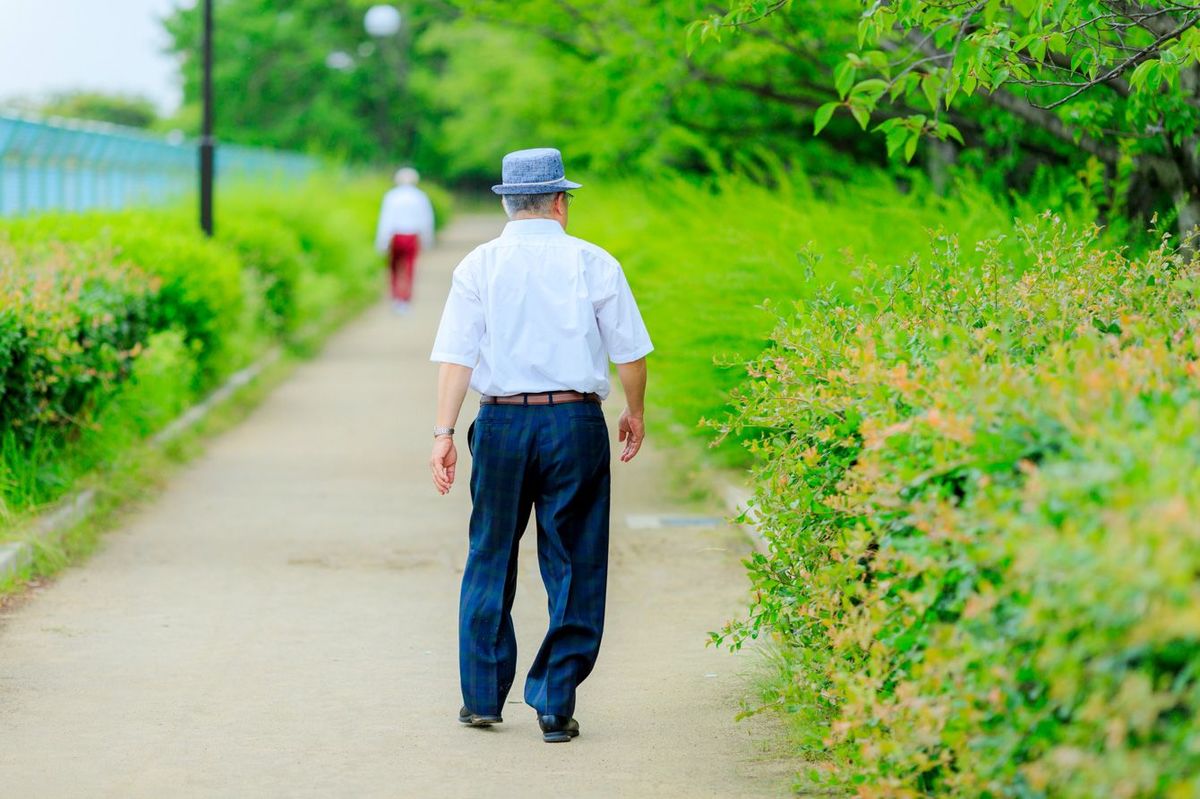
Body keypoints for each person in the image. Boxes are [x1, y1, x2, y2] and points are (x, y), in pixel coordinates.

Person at [428, 147, 653, 744]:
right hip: (574, 423)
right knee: (575, 558)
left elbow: (457, 356)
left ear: (508, 202)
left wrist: (444, 434)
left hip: (500, 424)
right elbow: (629, 353)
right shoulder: (594, 262)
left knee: (490, 553)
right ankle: (555, 702)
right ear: (560, 202)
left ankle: (481, 697)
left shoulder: (478, 265)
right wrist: (634, 411)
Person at [375, 167, 435, 313]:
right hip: (412, 236)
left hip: (395, 236)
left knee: (394, 268)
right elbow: (426, 220)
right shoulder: (420, 197)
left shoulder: (391, 196)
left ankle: (396, 297)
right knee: (409, 268)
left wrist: (382, 242)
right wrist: (427, 240)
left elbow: (386, 220)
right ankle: (405, 299)